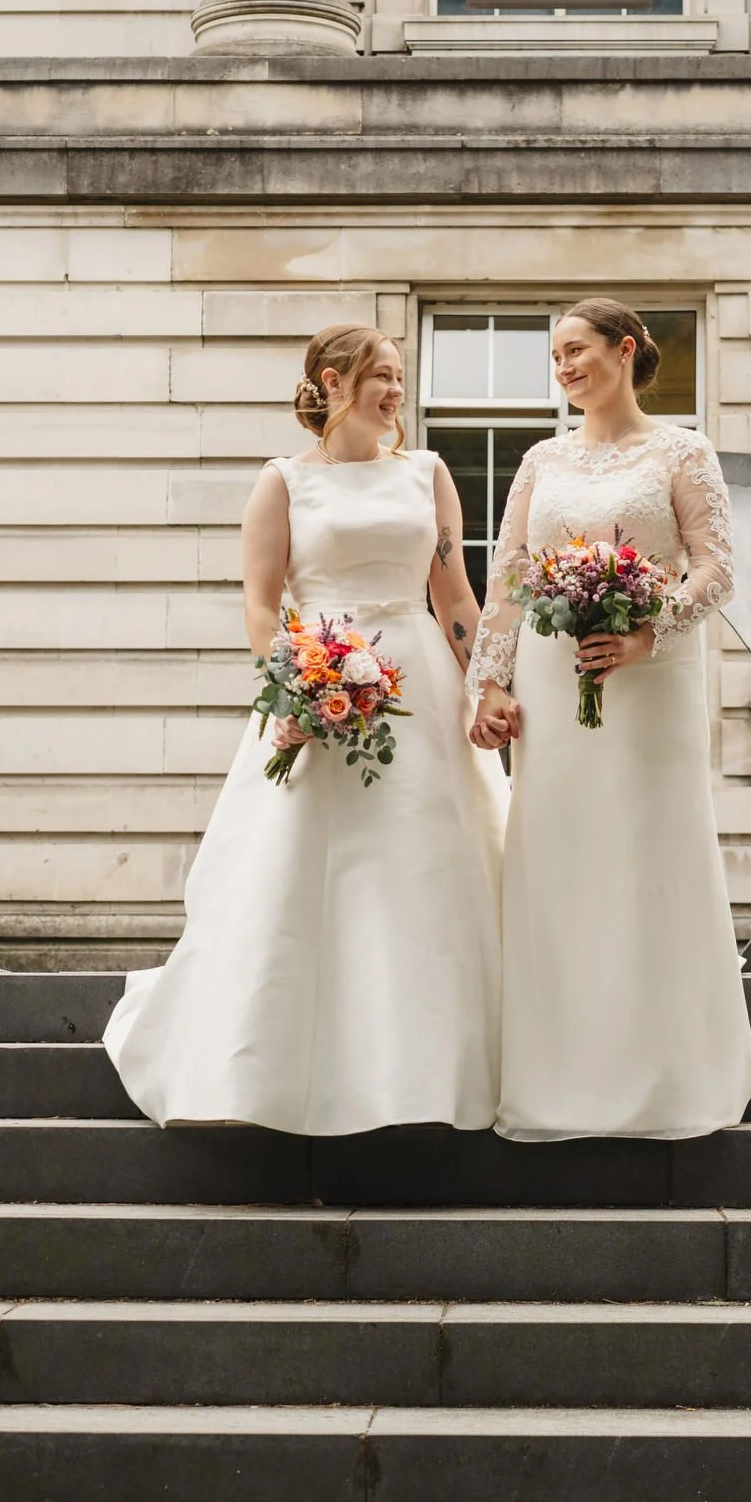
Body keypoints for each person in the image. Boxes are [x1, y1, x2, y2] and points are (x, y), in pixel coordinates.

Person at [105, 323, 507, 1133]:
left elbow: (456, 598)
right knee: (304, 866)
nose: (396, 391)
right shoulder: (283, 481)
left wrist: (486, 688)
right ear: (331, 383)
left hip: (418, 687)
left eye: (399, 376)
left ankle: (425, 1074)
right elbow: (260, 606)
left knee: (422, 864)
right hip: (321, 683)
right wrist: (304, 677)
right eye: (381, 376)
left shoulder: (428, 474)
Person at [468, 298, 751, 1142]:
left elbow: (717, 570)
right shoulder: (540, 460)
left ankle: (664, 1075)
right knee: (558, 856)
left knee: (646, 855)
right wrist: (489, 685)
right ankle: (556, 1074)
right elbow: (510, 576)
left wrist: (644, 631)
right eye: (554, 355)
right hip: (555, 687)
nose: (563, 367)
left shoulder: (681, 451)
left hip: (652, 680)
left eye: (576, 350)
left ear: (625, 351)